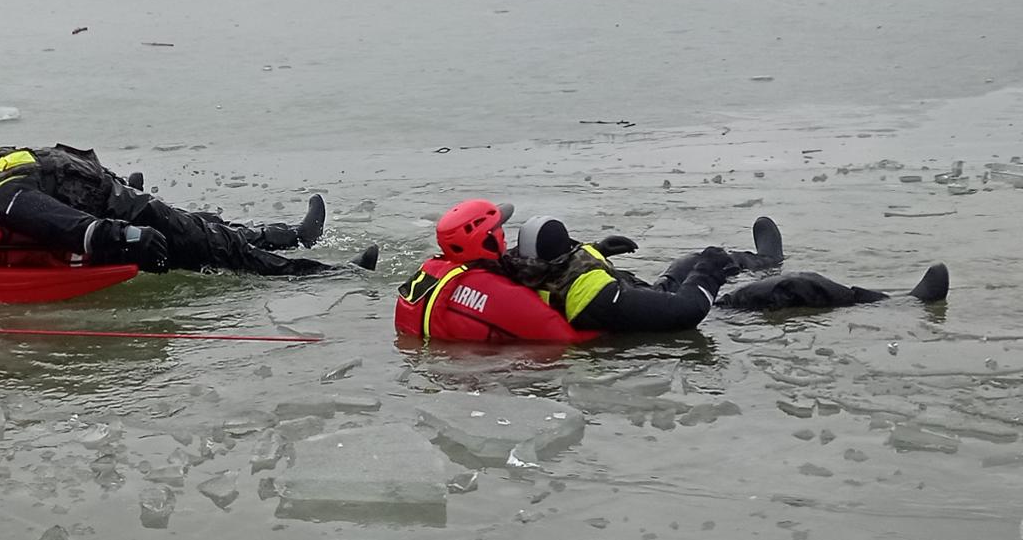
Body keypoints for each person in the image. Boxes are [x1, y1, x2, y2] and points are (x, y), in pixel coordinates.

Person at [395, 199, 948, 343]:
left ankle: (765, 254)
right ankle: (903, 301)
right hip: (663, 316)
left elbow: (537, 265)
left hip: (625, 295)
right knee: (787, 291)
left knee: (690, 260)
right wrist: (706, 277)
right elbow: (688, 315)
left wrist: (594, 249)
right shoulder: (585, 295)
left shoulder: (493, 268)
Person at [0, 141, 368, 276]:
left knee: (210, 226)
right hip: (130, 221)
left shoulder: (3, 163)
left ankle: (296, 235)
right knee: (225, 249)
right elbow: (62, 222)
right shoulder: (3, 194)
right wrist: (122, 236)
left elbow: (69, 173)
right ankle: (330, 274)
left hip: (129, 202)